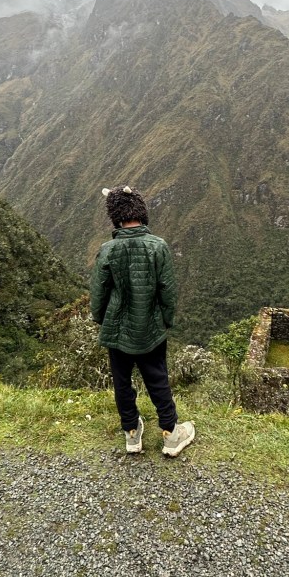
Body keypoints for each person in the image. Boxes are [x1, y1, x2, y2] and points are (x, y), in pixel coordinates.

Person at [90, 185, 195, 457]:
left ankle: (132, 433)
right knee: (157, 378)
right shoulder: (158, 247)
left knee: (122, 381)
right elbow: (167, 291)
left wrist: (103, 321)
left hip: (117, 328)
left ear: (115, 216)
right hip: (150, 329)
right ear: (141, 212)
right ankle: (171, 434)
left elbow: (99, 293)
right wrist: (165, 321)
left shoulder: (108, 250)